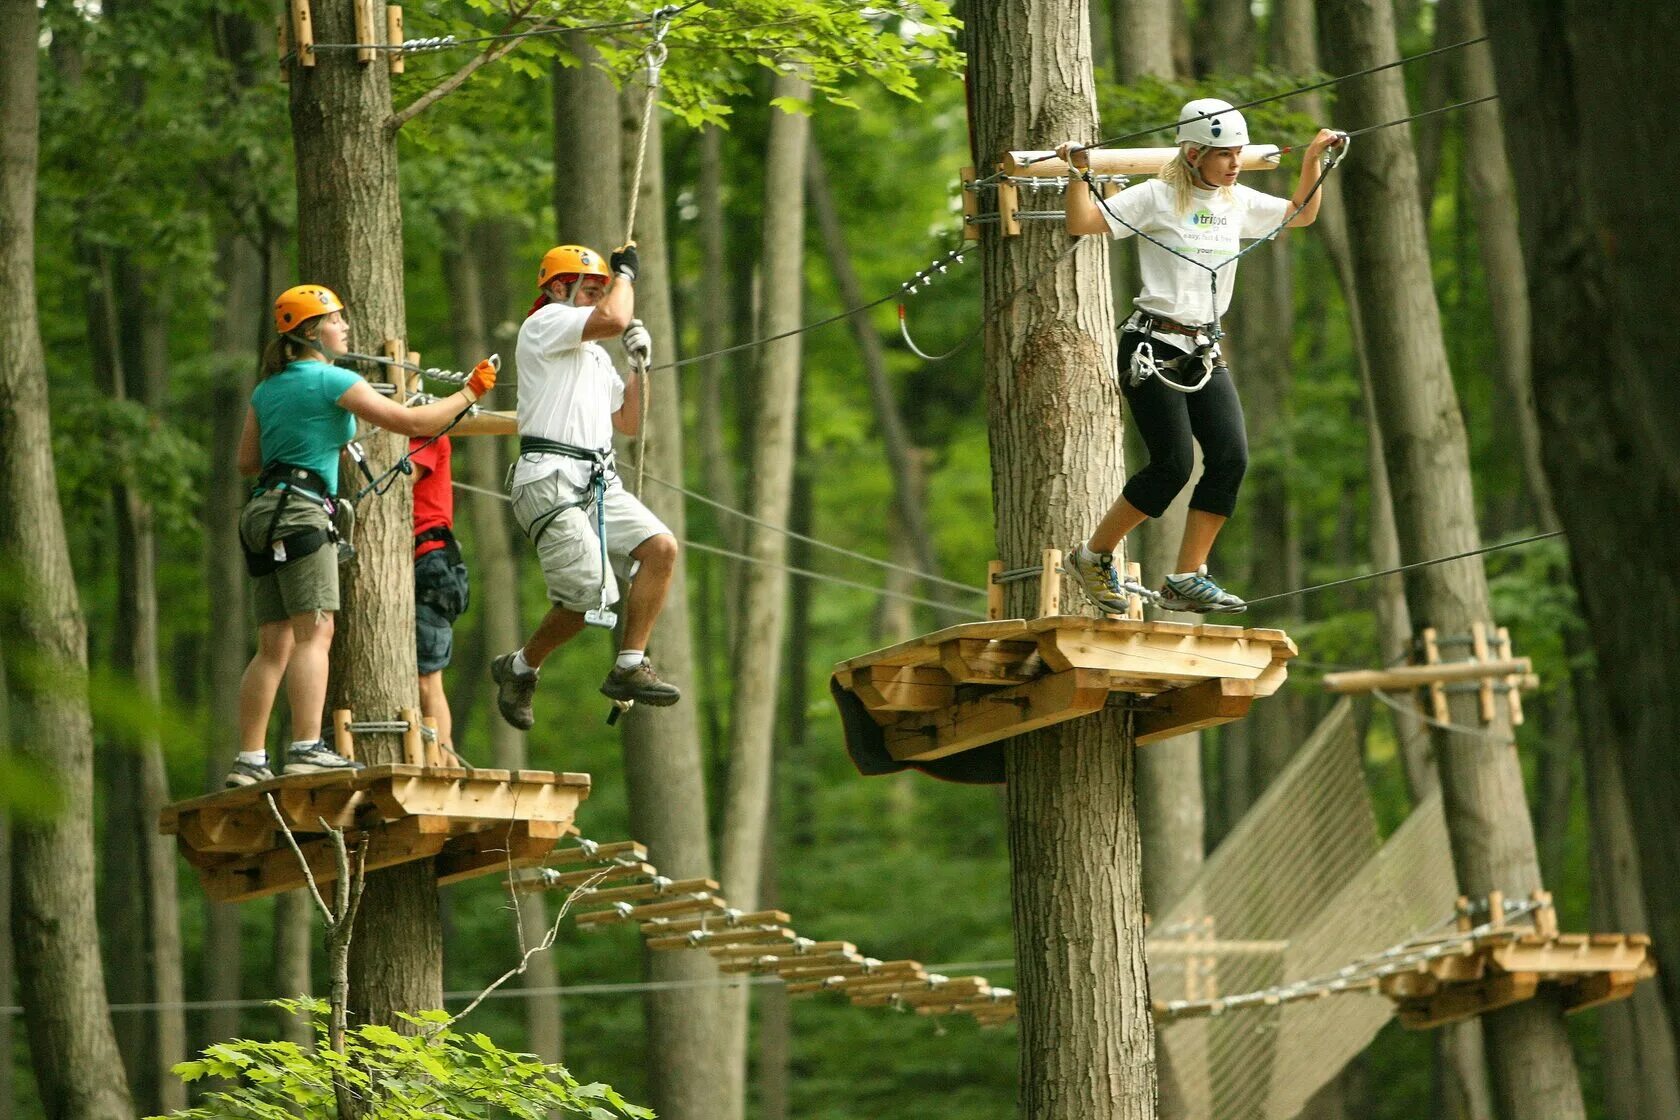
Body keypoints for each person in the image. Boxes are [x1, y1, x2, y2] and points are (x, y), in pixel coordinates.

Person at [1055, 99, 1344, 614]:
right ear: (1192, 154)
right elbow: (1082, 221)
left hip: (1203, 347)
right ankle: (1093, 556)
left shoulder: (1236, 200)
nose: (1234, 163)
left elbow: (1299, 215)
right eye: (1222, 155)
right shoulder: (1157, 198)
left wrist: (1313, 160)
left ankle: (1186, 576)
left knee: (1231, 458)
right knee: (1172, 466)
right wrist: (1079, 173)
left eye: (1237, 154)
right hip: (1153, 344)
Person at [226, 284, 497, 787]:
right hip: (302, 515)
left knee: (273, 645)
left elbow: (247, 461)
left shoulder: (268, 388)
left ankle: (248, 760)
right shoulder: (332, 380)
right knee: (316, 632)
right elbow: (412, 420)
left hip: (263, 513)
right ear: (314, 332)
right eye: (336, 321)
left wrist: (303, 437)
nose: (345, 328)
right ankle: (307, 747)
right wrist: (470, 393)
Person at [489, 242, 681, 731]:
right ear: (558, 287)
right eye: (591, 288)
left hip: (598, 478)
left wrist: (640, 366)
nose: (601, 298)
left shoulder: (594, 357)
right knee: (591, 596)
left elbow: (630, 420)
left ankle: (629, 665)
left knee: (660, 547)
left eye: (603, 289)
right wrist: (626, 277)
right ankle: (521, 666)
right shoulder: (546, 323)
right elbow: (615, 318)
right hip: (550, 478)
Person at [411, 431, 468, 758]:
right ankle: (440, 759)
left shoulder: (423, 432)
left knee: (426, 679)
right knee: (425, 678)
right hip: (424, 564)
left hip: (433, 565)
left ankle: (443, 763)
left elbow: (395, 485)